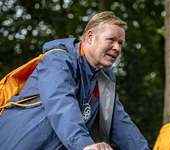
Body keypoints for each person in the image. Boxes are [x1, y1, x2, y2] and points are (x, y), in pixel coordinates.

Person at [0, 11, 150, 150]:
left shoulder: (105, 78)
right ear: (90, 37)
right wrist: (84, 145)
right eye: (111, 39)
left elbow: (121, 124)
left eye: (120, 43)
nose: (117, 48)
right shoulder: (57, 60)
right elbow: (61, 103)